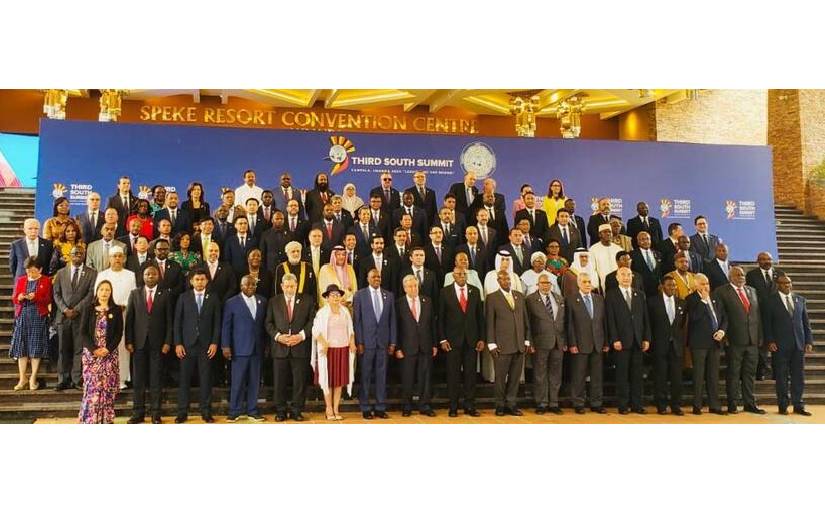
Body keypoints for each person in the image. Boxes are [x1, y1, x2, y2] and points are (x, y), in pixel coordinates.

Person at [714, 266, 765, 414]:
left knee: (750, 373)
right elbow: (721, 315)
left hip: (752, 340)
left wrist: (760, 336)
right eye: (737, 275)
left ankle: (750, 403)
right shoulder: (721, 291)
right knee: (734, 373)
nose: (741, 277)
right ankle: (733, 403)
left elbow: (757, 315)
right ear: (730, 277)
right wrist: (725, 336)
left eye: (742, 274)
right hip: (734, 340)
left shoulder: (752, 290)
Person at [125, 265, 172, 424]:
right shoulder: (135, 294)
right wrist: (129, 341)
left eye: (153, 274)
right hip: (138, 344)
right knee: (138, 380)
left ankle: (155, 414)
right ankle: (138, 413)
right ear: (143, 276)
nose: (150, 276)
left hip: (158, 344)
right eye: (147, 274)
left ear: (158, 276)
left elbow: (169, 321)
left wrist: (167, 341)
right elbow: (129, 319)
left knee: (156, 380)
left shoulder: (165, 294)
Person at [174, 269, 221, 423]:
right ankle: (182, 412)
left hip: (206, 346)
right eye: (197, 279)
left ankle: (206, 411)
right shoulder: (183, 297)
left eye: (202, 279)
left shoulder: (213, 298)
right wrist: (178, 343)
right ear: (191, 281)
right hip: (187, 345)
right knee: (184, 380)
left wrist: (214, 342)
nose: (200, 282)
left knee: (206, 380)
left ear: (207, 281)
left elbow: (217, 323)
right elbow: (177, 322)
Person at [266, 273, 315, 421]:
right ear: (282, 286)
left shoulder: (307, 300)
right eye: (286, 286)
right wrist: (278, 336)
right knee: (279, 382)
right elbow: (268, 323)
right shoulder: (274, 301)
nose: (289, 289)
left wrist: (301, 336)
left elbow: (312, 321)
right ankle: (280, 411)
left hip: (300, 347)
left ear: (296, 286)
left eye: (292, 286)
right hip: (279, 348)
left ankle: (296, 411)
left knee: (299, 382)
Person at [763, 275, 814, 416]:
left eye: (789, 283)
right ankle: (783, 405)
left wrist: (809, 341)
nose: (787, 285)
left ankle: (798, 405)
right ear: (778, 285)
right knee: (781, 377)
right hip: (779, 345)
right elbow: (767, 324)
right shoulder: (770, 301)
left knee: (799, 377)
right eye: (784, 283)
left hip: (799, 344)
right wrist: (770, 341)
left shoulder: (800, 300)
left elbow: (805, 322)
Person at [439, 266, 485, 417]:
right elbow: (441, 318)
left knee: (470, 375)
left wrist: (481, 338)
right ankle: (453, 406)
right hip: (452, 341)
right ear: (453, 275)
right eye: (459, 274)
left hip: (472, 340)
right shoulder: (445, 292)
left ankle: (469, 406)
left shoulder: (475, 291)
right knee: (453, 375)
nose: (462, 276)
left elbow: (480, 317)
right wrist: (443, 339)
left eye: (464, 274)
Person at [221, 275, 267, 422]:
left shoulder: (262, 301)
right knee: (238, 381)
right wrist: (225, 346)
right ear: (241, 286)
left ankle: (252, 410)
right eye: (247, 285)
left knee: (255, 381)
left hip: (257, 349)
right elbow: (226, 326)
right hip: (239, 349)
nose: (250, 287)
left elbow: (264, 326)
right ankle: (234, 411)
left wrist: (266, 346)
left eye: (253, 285)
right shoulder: (231, 302)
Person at [605, 267, 651, 414]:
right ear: (617, 277)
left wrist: (646, 338)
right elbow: (610, 319)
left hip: (638, 341)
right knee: (622, 375)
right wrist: (614, 339)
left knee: (637, 376)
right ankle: (623, 405)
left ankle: (637, 405)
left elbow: (645, 318)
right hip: (621, 342)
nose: (626, 277)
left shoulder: (640, 294)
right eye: (623, 275)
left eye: (629, 275)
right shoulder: (611, 295)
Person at [486, 270, 531, 416]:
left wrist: (526, 340)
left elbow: (525, 319)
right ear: (498, 281)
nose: (506, 281)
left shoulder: (519, 296)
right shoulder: (492, 298)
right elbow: (489, 322)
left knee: (515, 378)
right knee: (500, 378)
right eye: (503, 279)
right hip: (501, 345)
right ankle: (499, 405)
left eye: (508, 279)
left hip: (519, 344)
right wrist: (491, 343)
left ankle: (511, 404)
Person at [78, 280, 123, 424]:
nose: (104, 293)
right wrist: (94, 350)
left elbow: (118, 333)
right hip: (91, 355)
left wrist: (108, 349)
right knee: (92, 387)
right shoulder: (88, 308)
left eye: (107, 290)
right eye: (102, 289)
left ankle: (106, 419)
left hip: (109, 355)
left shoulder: (116, 310)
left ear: (111, 292)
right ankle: (90, 419)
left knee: (107, 388)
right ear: (97, 291)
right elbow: (83, 332)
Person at [353, 269, 396, 419]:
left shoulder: (389, 295)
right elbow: (357, 321)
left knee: (381, 376)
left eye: (378, 276)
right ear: (367, 278)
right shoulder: (360, 295)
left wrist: (393, 342)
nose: (377, 279)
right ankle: (365, 407)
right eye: (373, 277)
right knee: (365, 375)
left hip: (383, 343)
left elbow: (392, 320)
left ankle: (380, 407)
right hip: (366, 343)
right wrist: (359, 341)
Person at [52, 246, 97, 391]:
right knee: (62, 349)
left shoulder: (92, 273)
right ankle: (63, 379)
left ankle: (77, 379)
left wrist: (76, 309)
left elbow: (91, 294)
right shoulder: (61, 273)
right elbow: (56, 294)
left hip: (81, 316)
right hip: (63, 316)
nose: (77, 255)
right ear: (70, 256)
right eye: (74, 253)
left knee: (79, 349)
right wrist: (65, 309)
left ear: (84, 255)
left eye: (80, 253)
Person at [395, 275, 438, 417]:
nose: (413, 289)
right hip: (407, 347)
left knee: (425, 377)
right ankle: (406, 406)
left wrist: (434, 344)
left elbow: (432, 324)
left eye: (415, 286)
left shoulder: (427, 301)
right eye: (410, 286)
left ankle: (424, 405)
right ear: (404, 288)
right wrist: (397, 347)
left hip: (425, 345)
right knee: (407, 378)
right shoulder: (399, 303)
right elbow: (396, 327)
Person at [94, 246, 137, 389]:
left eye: (120, 256)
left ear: (124, 258)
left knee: (122, 347)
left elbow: (134, 295)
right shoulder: (102, 275)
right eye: (114, 256)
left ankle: (122, 379)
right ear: (109, 258)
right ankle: (104, 377)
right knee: (105, 344)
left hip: (124, 314)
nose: (117, 259)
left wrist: (124, 305)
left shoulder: (130, 275)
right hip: (105, 315)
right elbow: (97, 295)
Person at [313, 284, 357, 420]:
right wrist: (324, 343)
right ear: (327, 298)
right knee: (328, 380)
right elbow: (315, 331)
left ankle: (336, 408)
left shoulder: (345, 311)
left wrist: (352, 342)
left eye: (338, 295)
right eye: (333, 295)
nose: (336, 297)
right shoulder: (322, 313)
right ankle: (329, 408)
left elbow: (351, 329)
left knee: (339, 382)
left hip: (342, 349)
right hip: (328, 351)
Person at [565, 272, 608, 414]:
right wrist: (572, 343)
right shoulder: (571, 300)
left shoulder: (599, 299)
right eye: (584, 282)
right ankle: (578, 403)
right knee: (579, 376)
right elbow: (569, 324)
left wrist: (606, 342)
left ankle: (596, 403)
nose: (588, 284)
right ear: (578, 283)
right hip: (580, 343)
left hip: (598, 343)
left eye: (589, 282)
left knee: (597, 376)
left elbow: (604, 322)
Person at [685, 273, 727, 415]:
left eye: (707, 283)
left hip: (715, 342)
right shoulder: (691, 299)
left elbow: (724, 317)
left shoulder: (715, 297)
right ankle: (697, 405)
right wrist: (703, 301)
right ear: (696, 285)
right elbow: (694, 317)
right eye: (703, 284)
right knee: (698, 375)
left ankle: (714, 405)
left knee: (713, 375)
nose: (706, 286)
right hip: (699, 343)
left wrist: (722, 331)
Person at [526, 272, 566, 414]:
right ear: (537, 285)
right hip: (539, 342)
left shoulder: (559, 298)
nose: (545, 286)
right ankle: (541, 403)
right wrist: (529, 342)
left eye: (548, 283)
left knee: (556, 374)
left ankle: (554, 402)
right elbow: (527, 323)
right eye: (542, 283)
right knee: (540, 374)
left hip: (558, 342)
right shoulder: (530, 300)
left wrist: (565, 340)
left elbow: (564, 321)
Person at [9, 258, 52, 391]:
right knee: (21, 347)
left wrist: (36, 297)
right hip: (23, 316)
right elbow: (14, 298)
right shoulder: (21, 280)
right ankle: (22, 378)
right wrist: (19, 297)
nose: (30, 274)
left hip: (38, 316)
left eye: (33, 271)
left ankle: (33, 377)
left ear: (40, 269)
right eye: (28, 271)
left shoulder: (46, 280)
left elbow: (48, 299)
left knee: (35, 348)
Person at [648, 276, 687, 415]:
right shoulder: (652, 302)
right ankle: (661, 405)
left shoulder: (682, 303)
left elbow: (682, 324)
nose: (672, 288)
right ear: (662, 287)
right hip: (659, 345)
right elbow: (650, 323)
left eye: (674, 285)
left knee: (677, 378)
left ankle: (676, 405)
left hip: (676, 346)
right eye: (669, 285)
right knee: (661, 377)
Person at [746, 251, 782, 380]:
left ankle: (777, 372)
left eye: (769, 259)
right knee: (760, 344)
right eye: (763, 259)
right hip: (759, 313)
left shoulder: (780, 274)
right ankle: (760, 371)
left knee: (778, 343)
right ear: (758, 261)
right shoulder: (751, 275)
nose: (766, 261)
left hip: (776, 315)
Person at [276, 242, 319, 307]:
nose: (296, 253)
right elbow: (278, 290)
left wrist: (314, 304)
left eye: (298, 251)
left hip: (305, 304)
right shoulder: (280, 268)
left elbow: (313, 288)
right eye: (293, 251)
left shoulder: (308, 267)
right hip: (287, 304)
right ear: (287, 253)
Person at [589, 223, 623, 290]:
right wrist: (596, 285)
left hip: (619, 281)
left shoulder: (618, 249)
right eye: (605, 232)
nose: (608, 234)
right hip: (602, 284)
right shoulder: (592, 250)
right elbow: (592, 270)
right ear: (599, 235)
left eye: (609, 232)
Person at [629, 231, 662, 298]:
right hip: (641, 290)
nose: (646, 241)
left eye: (647, 239)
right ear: (638, 242)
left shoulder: (658, 254)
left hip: (657, 290)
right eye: (642, 239)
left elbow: (660, 271)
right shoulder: (632, 255)